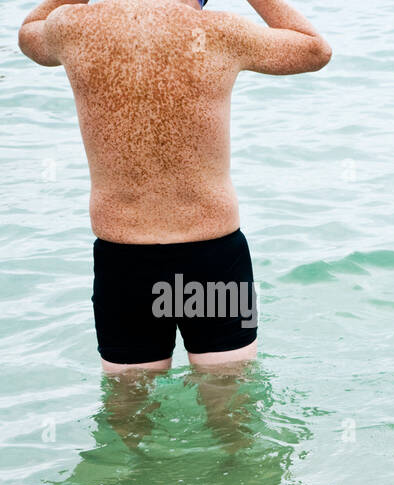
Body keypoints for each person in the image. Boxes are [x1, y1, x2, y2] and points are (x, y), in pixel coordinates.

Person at [18, 0, 331, 375]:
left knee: (127, 411)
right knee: (229, 406)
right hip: (213, 256)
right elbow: (315, 50)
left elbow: (28, 34)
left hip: (123, 259)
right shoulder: (221, 31)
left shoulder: (72, 28)